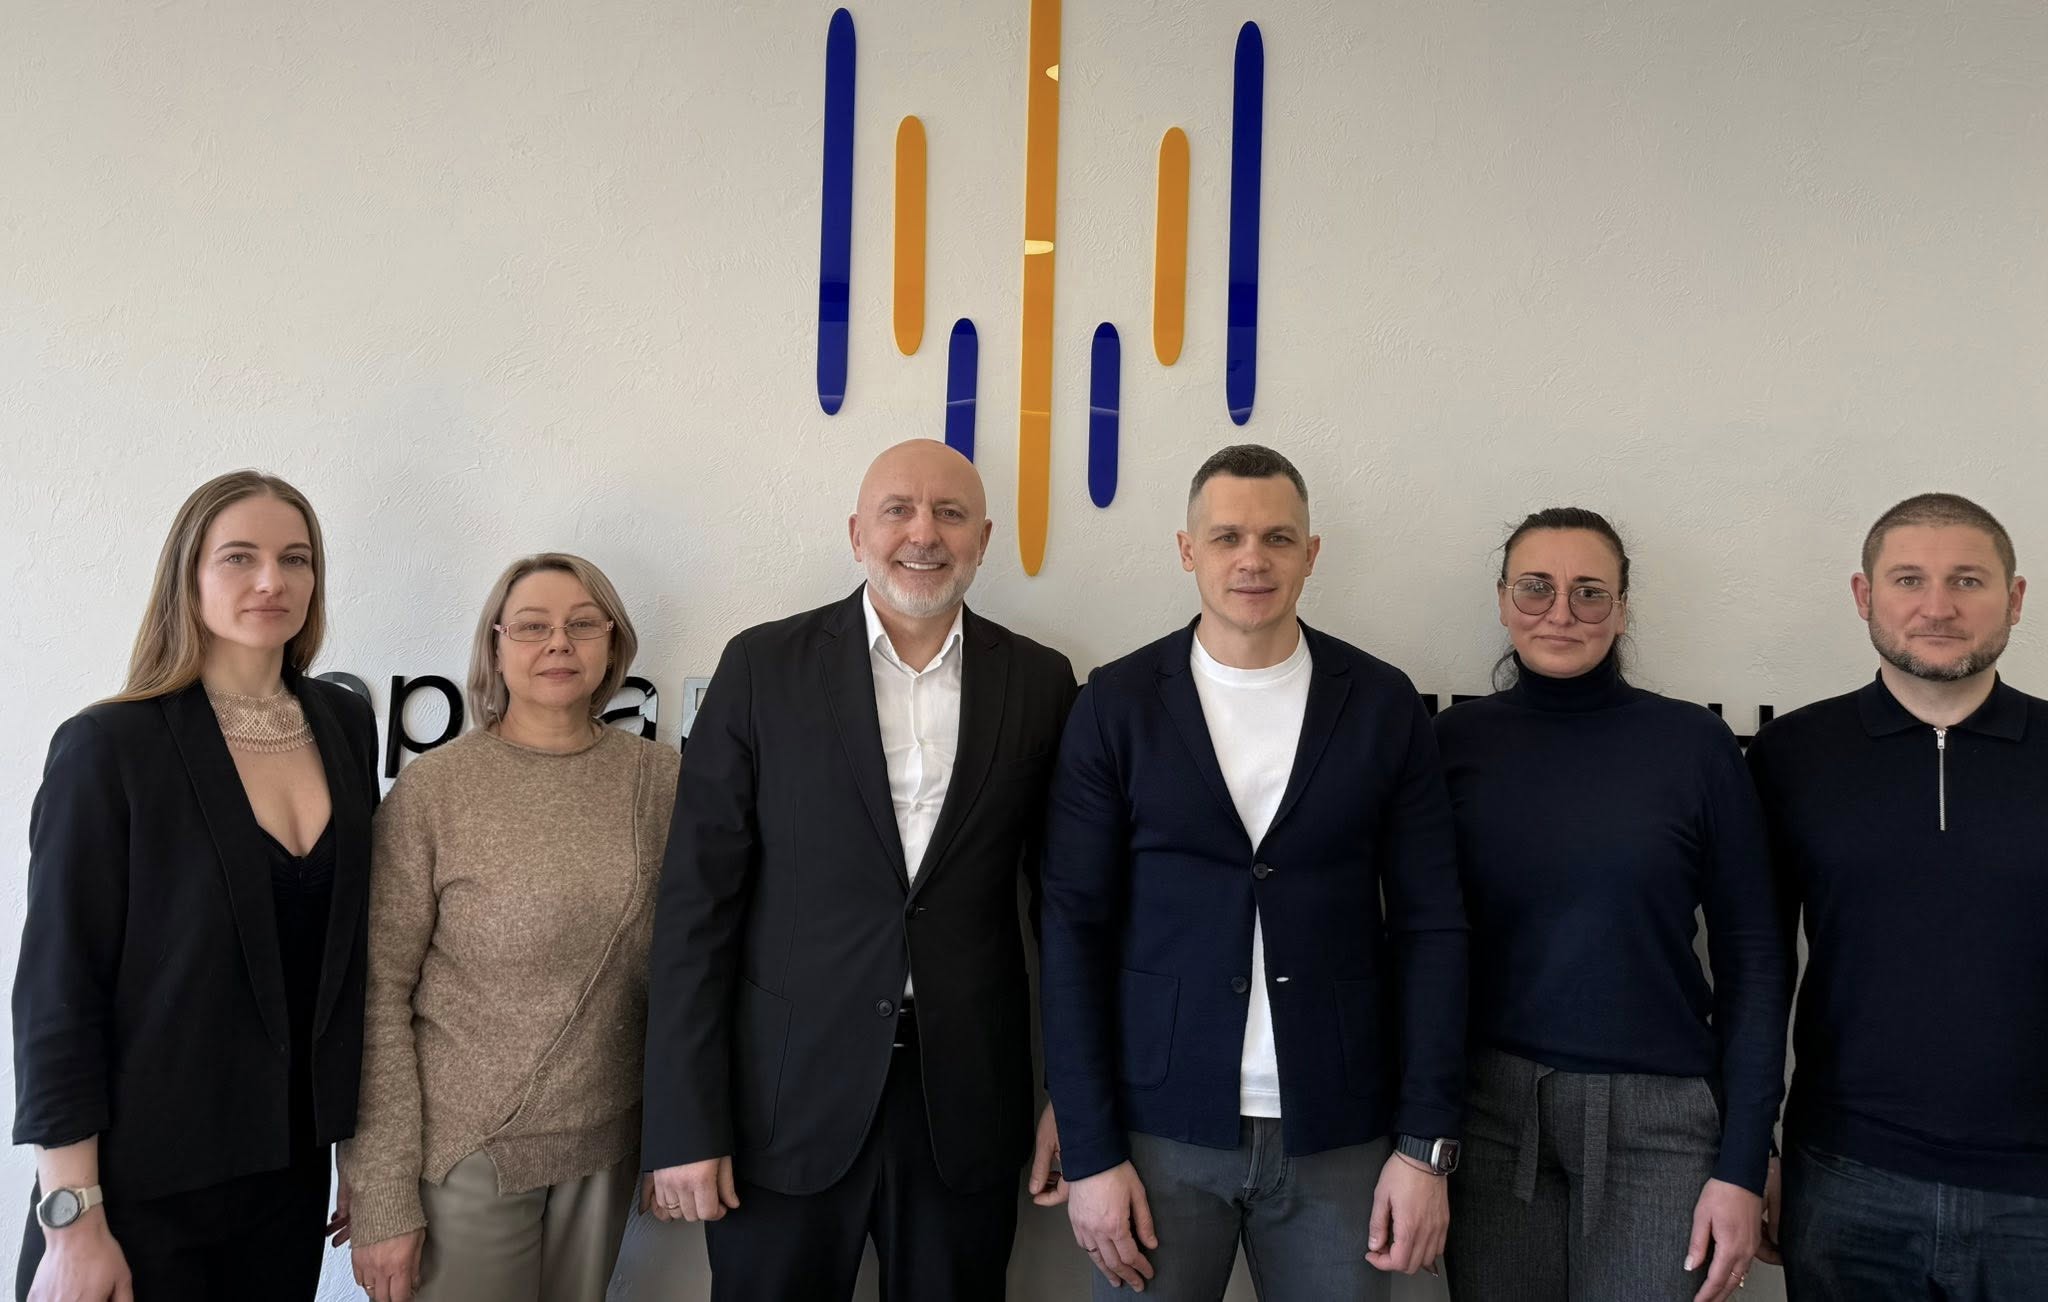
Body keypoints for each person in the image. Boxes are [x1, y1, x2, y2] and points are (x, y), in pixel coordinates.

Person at [625, 439, 1076, 1302]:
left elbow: (1065, 912)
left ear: (983, 540)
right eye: (897, 510)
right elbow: (695, 909)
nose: (923, 533)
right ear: (856, 533)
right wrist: (683, 1122)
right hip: (779, 1101)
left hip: (965, 1104)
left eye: (950, 514)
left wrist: (1074, 1097)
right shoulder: (761, 667)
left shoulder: (1040, 682)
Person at [1040, 443, 1469, 1301]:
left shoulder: (1382, 702)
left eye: (1278, 538)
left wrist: (1427, 1146)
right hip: (1158, 1129)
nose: (1253, 559)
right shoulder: (1116, 703)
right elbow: (1072, 928)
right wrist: (1088, 1150)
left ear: (1311, 554)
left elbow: (1432, 927)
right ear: (1186, 549)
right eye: (1227, 536)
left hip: (1341, 1131)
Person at [12, 470, 379, 1301]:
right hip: (136, 1193)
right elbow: (58, 995)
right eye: (239, 557)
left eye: (295, 559)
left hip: (288, 1184)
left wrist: (360, 1150)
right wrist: (71, 1220)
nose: (271, 581)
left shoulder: (345, 724)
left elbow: (353, 966)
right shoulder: (109, 746)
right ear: (189, 575)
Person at [1432, 507, 1786, 1302]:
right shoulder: (1454, 744)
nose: (1561, 612)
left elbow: (1755, 962)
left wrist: (1744, 1158)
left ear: (1622, 610)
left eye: (1589, 592)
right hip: (1488, 1114)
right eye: (1536, 588)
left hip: (1660, 1126)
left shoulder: (1694, 746)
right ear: (1502, 600)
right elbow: (1418, 942)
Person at [341, 553, 680, 1302]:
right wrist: (381, 1187)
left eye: (582, 624)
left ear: (613, 642)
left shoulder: (662, 783)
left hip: (606, 1147)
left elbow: (691, 973)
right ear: (495, 645)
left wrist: (681, 1134)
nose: (559, 643)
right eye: (531, 626)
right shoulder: (437, 790)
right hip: (463, 1155)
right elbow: (376, 997)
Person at [1747, 493, 2048, 1301]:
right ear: (1864, 594)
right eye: (1909, 579)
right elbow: (1756, 971)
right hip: (1845, 1177)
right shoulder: (1793, 755)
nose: (1937, 607)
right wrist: (1752, 1151)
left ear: (2016, 598)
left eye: (1968, 581)